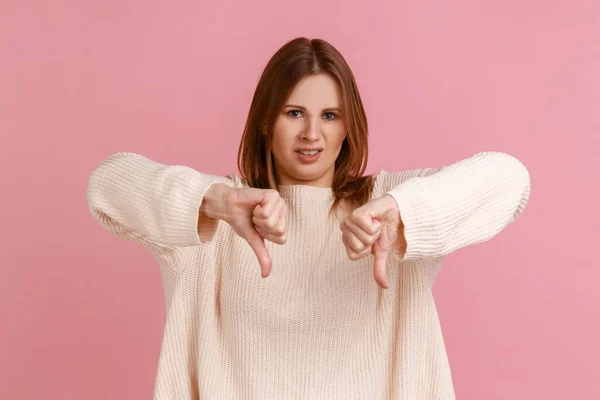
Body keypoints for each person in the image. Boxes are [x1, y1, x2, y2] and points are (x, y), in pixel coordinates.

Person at [86, 37, 531, 400]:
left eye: (330, 116)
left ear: (348, 127)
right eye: (294, 112)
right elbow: (106, 184)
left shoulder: (386, 205)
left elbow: (510, 179)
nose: (312, 134)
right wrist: (213, 201)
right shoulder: (216, 214)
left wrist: (405, 212)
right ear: (266, 121)